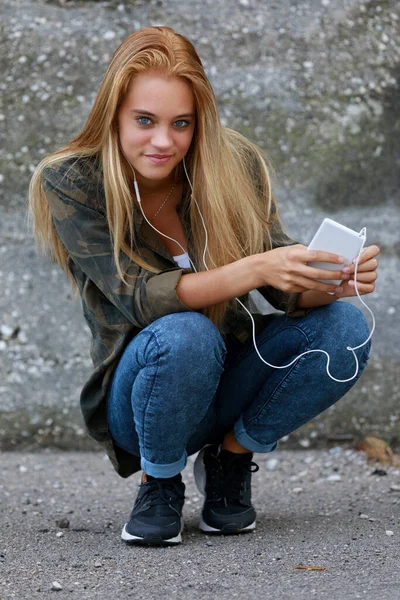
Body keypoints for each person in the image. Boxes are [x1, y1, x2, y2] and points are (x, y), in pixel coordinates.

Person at [28, 25, 379, 547]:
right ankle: (159, 481)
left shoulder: (231, 164)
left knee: (347, 328)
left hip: (230, 377)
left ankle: (230, 460)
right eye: (144, 120)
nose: (163, 141)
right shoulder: (73, 181)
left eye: (182, 123)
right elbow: (141, 298)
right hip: (144, 392)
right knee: (185, 333)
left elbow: (286, 294)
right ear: (114, 114)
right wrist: (257, 268)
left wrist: (330, 279)